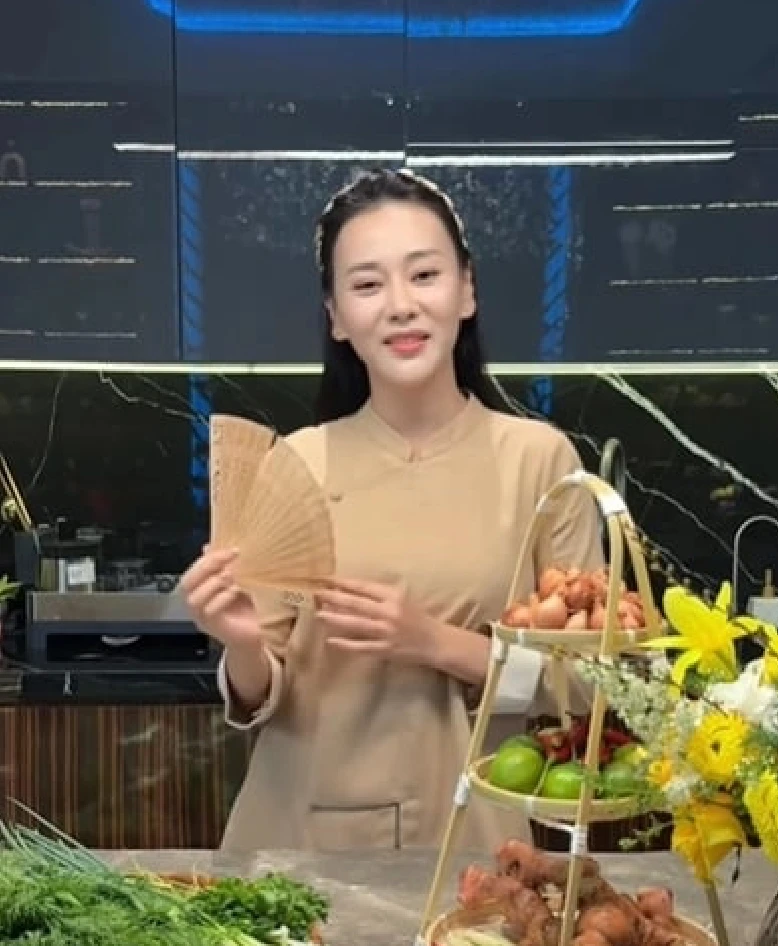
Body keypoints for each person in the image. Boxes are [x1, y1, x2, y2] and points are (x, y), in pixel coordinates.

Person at [180, 168, 603, 852]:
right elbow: (260, 694)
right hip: (297, 839)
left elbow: (588, 685)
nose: (401, 306)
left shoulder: (541, 462)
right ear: (337, 316)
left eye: (424, 275)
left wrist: (437, 643)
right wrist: (242, 643)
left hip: (471, 840)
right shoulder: (296, 463)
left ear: (467, 291)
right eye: (368, 285)